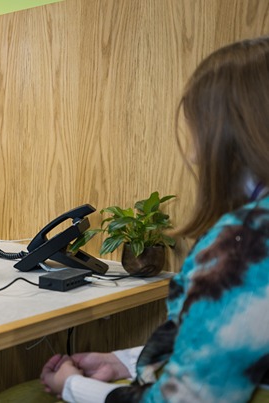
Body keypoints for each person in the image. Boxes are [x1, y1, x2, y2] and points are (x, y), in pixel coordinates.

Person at [39, 36, 269, 402]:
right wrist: (126, 361)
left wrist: (71, 385)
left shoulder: (244, 248)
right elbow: (231, 345)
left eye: (198, 131)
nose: (194, 156)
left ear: (230, 134)